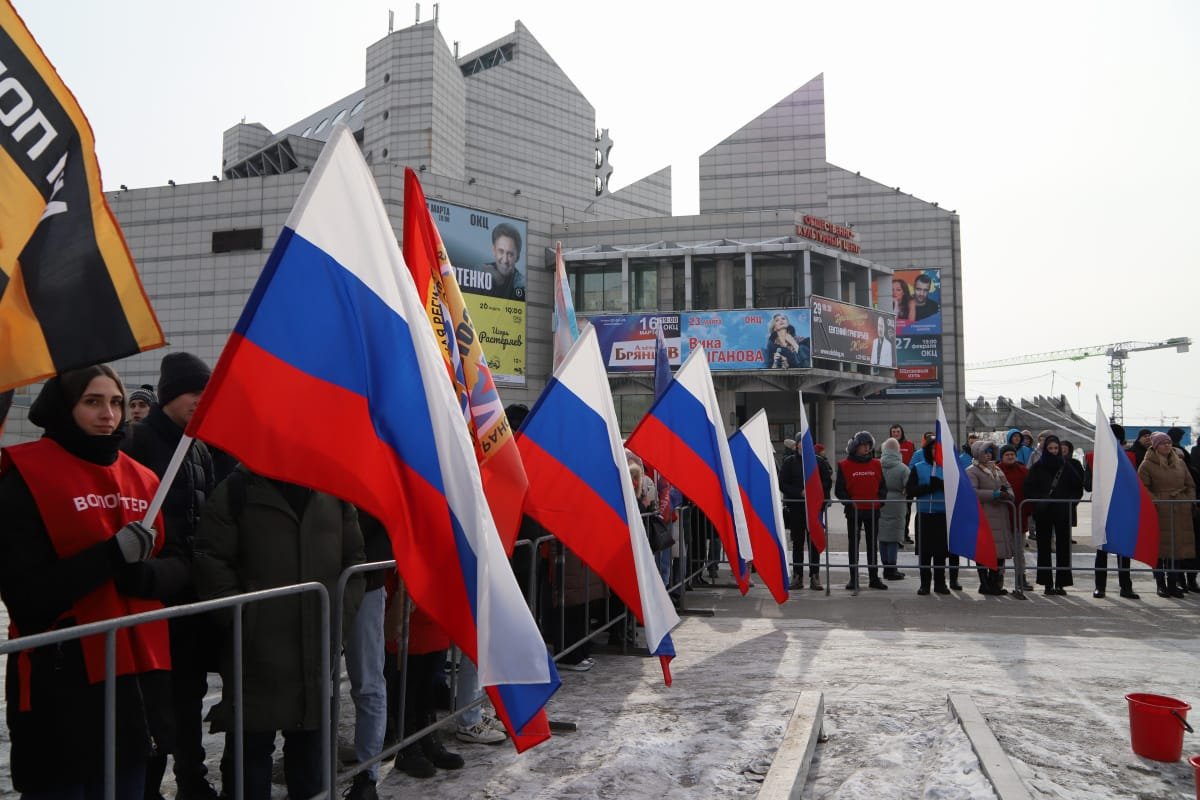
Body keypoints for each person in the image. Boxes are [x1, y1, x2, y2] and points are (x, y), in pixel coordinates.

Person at [0, 366, 171, 800]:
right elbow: (26, 598)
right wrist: (111, 556)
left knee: (128, 783)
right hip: (61, 677)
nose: (109, 414)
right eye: (92, 402)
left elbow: (182, 564)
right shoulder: (23, 474)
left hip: (135, 676)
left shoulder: (145, 478)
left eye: (115, 402)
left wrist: (149, 575)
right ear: (64, 407)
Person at [192, 468, 365, 800]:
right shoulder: (237, 490)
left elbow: (353, 562)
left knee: (311, 758)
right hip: (256, 651)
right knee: (250, 754)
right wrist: (244, 617)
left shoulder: (332, 487)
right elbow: (210, 558)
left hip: (316, 646)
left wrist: (338, 622)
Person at [121, 352, 221, 800]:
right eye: (193, 393)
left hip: (192, 593)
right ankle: (146, 787)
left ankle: (192, 778)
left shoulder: (198, 446)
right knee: (153, 699)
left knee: (189, 692)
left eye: (206, 393)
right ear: (168, 396)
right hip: (153, 593)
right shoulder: (139, 442)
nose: (201, 402)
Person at [1138, 432, 1197, 598]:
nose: (1167, 445)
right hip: (1159, 510)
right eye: (1163, 443)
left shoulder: (1180, 463)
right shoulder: (1147, 465)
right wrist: (1158, 501)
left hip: (1180, 510)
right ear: (1156, 446)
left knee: (1176, 549)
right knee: (1160, 549)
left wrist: (1187, 500)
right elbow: (1143, 487)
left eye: (1169, 442)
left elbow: (1190, 484)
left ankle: (1173, 583)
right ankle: (1160, 584)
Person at [1085, 424, 1140, 600]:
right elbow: (1087, 484)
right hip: (1104, 508)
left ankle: (1124, 586)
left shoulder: (1131, 458)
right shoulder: (1093, 458)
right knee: (1103, 549)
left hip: (1123, 507)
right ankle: (1101, 586)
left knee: (1123, 550)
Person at [1024, 435, 1083, 595]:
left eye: (1056, 448)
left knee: (1063, 548)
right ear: (1045, 449)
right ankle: (1047, 583)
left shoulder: (1067, 466)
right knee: (1044, 548)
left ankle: (1061, 584)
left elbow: (1077, 488)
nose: (1053, 451)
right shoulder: (1037, 467)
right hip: (1044, 513)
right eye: (1050, 448)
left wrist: (1069, 504)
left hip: (1062, 512)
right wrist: (1038, 502)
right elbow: (1029, 488)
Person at [835, 431, 886, 593]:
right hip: (854, 511)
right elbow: (839, 490)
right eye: (864, 445)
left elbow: (882, 487)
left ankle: (873, 577)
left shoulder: (877, 464)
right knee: (853, 546)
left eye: (869, 445)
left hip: (872, 510)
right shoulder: (844, 465)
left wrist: (880, 501)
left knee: (872, 545)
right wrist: (849, 503)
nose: (867, 448)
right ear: (855, 447)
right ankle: (854, 578)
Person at [906, 436, 959, 594]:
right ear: (928, 450)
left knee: (940, 552)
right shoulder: (918, 467)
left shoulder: (949, 468)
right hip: (924, 514)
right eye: (933, 449)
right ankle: (925, 583)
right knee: (924, 552)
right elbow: (910, 490)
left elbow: (957, 490)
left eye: (939, 449)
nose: (936, 452)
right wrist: (928, 487)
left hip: (942, 515)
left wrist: (942, 485)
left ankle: (940, 583)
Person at [966, 440, 1016, 595]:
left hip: (1000, 515)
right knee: (984, 550)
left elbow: (1007, 485)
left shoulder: (997, 469)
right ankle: (985, 583)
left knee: (999, 551)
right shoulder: (972, 471)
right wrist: (993, 495)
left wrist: (1008, 495)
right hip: (984, 515)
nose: (988, 455)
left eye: (990, 452)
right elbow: (972, 492)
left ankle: (995, 583)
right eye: (985, 452)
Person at [778, 438, 822, 591]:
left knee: (814, 543)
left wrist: (819, 498)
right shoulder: (789, 462)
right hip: (796, 509)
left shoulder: (818, 462)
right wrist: (799, 493)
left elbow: (826, 482)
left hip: (813, 509)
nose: (803, 446)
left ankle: (815, 575)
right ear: (796, 445)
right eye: (800, 442)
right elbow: (782, 483)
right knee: (797, 543)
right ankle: (797, 576)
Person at [997, 445, 1034, 591]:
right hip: (1002, 518)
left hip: (1019, 517)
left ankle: (1021, 578)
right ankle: (998, 578)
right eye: (1007, 454)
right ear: (1002, 456)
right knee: (1000, 551)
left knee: (1019, 551)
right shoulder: (996, 470)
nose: (1011, 457)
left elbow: (1029, 491)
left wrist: (1028, 511)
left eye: (1012, 454)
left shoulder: (1023, 470)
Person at [877, 438, 909, 581]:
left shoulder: (877, 465)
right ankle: (892, 568)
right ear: (897, 451)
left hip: (880, 501)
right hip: (897, 503)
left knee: (882, 536)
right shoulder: (902, 468)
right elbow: (908, 486)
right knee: (894, 537)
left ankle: (885, 568)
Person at [477, 223, 526, 301]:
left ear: (518, 257)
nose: (505, 260)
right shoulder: (481, 271)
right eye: (501, 251)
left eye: (510, 254)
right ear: (494, 250)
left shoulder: (521, 285)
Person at [889, 425, 916, 544]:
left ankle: (904, 534)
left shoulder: (910, 445)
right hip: (892, 484)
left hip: (907, 483)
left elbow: (914, 462)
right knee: (893, 512)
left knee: (907, 510)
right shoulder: (887, 445)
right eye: (893, 432)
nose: (896, 433)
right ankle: (894, 536)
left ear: (902, 432)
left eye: (898, 431)